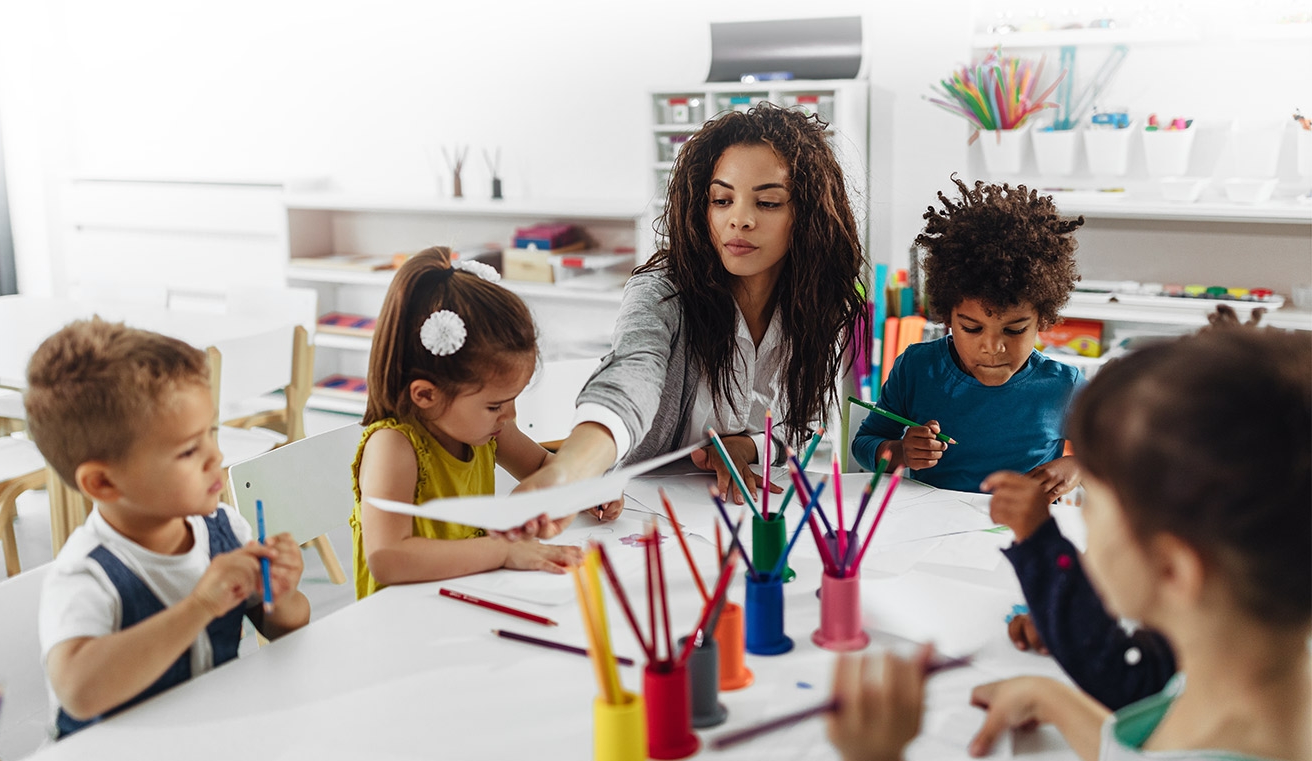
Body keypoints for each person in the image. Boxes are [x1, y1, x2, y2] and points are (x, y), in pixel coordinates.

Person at [828, 322, 1312, 761]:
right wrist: (1052, 699)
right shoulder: (1242, 665)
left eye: (1092, 505)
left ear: (1172, 571)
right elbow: (1134, 692)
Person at [516, 102, 866, 503]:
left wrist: (745, 447)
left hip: (737, 510)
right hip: (639, 507)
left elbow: (800, 426)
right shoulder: (663, 291)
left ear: (806, 215)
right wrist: (571, 470)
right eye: (721, 200)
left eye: (767, 203)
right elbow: (633, 374)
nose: (739, 219)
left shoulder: (817, 303)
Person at [24, 319, 310, 739]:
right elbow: (79, 692)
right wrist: (200, 606)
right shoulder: (86, 574)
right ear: (103, 483)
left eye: (211, 433)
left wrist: (278, 595)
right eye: (189, 449)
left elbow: (288, 626)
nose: (216, 455)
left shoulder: (224, 527)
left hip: (206, 742)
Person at [985, 306, 1266, 711]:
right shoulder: (1235, 630)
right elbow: (1134, 677)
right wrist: (1068, 622)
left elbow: (1124, 678)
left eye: (1090, 508)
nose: (1083, 527)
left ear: (1173, 568)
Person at [351, 246, 585, 598]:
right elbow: (388, 557)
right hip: (404, 620)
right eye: (495, 405)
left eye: (512, 401)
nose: (510, 416)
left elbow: (542, 467)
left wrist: (588, 488)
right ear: (426, 395)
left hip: (471, 597)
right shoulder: (393, 447)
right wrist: (504, 552)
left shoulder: (489, 430)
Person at [852, 177, 1086, 495]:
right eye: (972, 328)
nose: (992, 347)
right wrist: (901, 452)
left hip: (1018, 530)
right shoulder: (916, 369)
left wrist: (1076, 466)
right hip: (929, 528)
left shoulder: (1064, 386)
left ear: (1042, 319)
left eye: (1014, 330)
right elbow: (865, 444)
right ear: (947, 316)